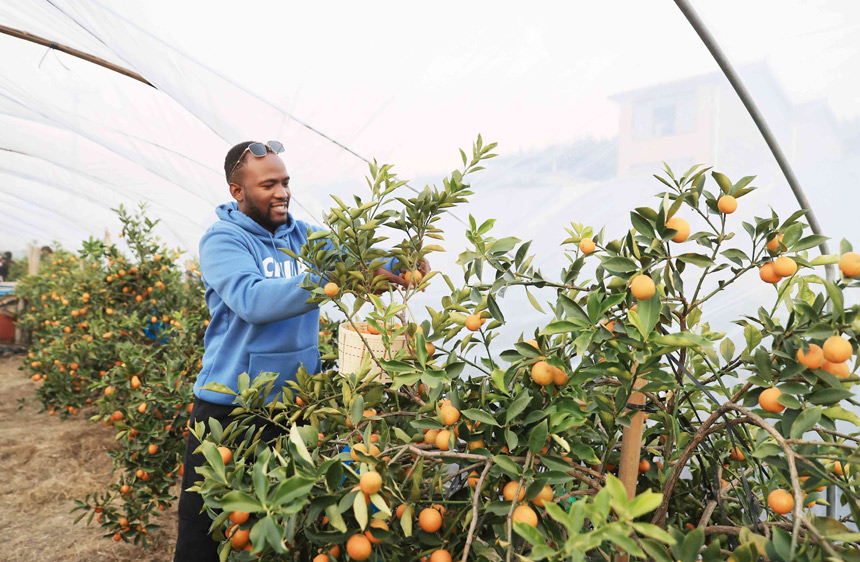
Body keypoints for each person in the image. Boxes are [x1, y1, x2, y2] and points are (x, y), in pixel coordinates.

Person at [174, 141, 428, 561]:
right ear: (237, 192)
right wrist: (331, 280)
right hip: (229, 410)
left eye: (285, 182)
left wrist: (401, 261)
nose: (282, 193)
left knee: (285, 527)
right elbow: (253, 301)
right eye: (268, 184)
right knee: (206, 529)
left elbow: (354, 258)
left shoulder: (305, 237)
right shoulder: (222, 241)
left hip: (294, 408)